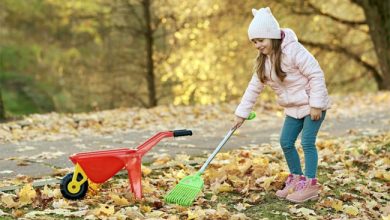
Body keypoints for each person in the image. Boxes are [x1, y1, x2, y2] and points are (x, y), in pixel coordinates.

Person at [233, 7, 331, 203]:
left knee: (307, 142)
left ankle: (310, 184)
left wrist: (316, 104)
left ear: (272, 36)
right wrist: (241, 113)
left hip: (312, 106)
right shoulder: (264, 62)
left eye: (260, 40)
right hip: (293, 109)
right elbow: (253, 88)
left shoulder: (294, 50)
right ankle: (296, 179)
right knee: (286, 142)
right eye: (254, 42)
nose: (257, 45)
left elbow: (316, 74)